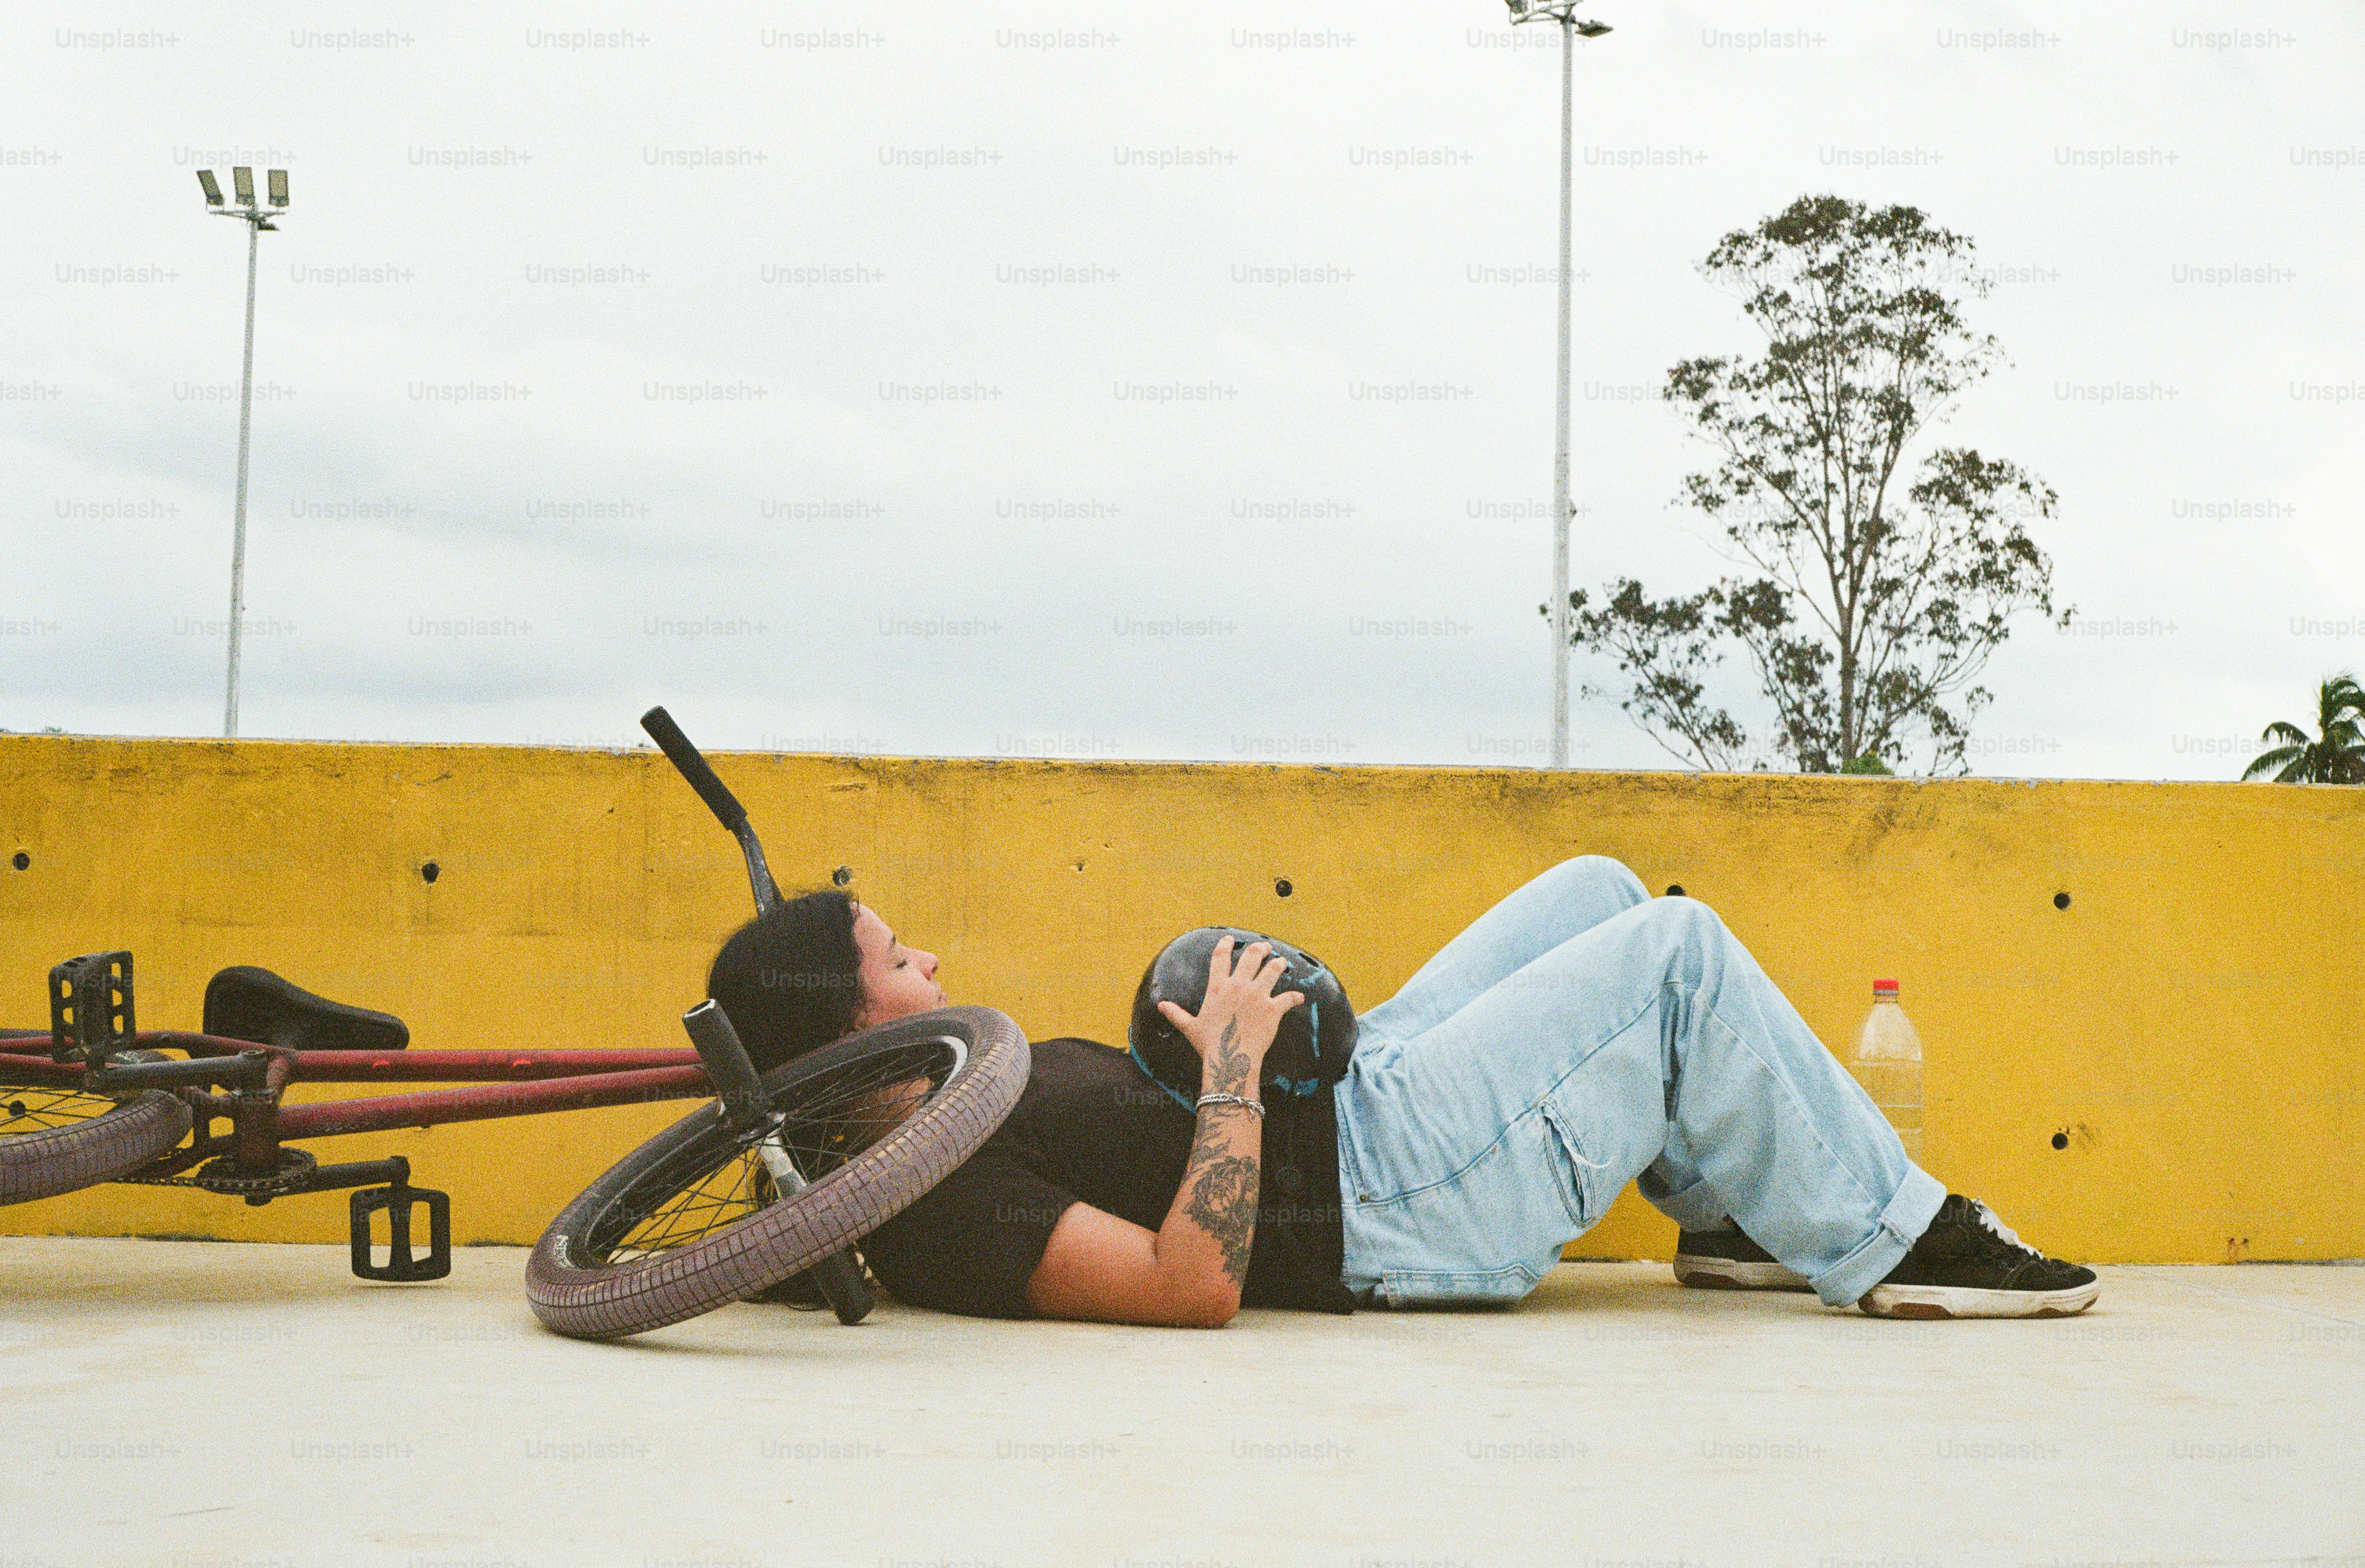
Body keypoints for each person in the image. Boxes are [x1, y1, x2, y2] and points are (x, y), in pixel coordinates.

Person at [704, 855, 2099, 1328]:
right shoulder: (943, 1206)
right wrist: (1237, 1073)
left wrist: (1221, 1046)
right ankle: (1895, 1243)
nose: (929, 956)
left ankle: (1730, 1218)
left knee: (1600, 892)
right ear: (849, 1028)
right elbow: (1189, 1285)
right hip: (1389, 1200)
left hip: (1359, 1118)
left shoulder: (954, 1103)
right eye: (897, 958)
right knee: (1672, 951)